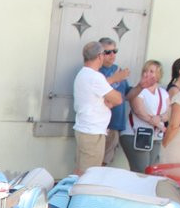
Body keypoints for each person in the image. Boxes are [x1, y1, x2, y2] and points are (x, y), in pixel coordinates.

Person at [73, 40, 123, 174]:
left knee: (80, 170)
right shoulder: (95, 77)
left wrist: (107, 100)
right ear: (100, 56)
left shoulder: (82, 74)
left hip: (84, 128)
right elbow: (117, 99)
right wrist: (115, 81)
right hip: (93, 132)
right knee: (89, 173)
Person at [121, 60, 170, 172]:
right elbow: (139, 111)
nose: (147, 74)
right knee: (141, 170)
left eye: (151, 71)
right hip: (137, 134)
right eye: (145, 71)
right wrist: (159, 124)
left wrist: (161, 118)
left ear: (159, 75)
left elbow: (168, 112)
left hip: (155, 135)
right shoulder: (138, 90)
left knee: (152, 170)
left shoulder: (163, 93)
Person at [97, 38, 137, 166]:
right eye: (108, 52)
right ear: (100, 54)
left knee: (105, 162)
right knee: (95, 163)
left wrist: (142, 86)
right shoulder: (96, 71)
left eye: (115, 51)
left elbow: (127, 95)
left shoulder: (117, 69)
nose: (112, 55)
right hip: (100, 125)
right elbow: (97, 91)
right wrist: (115, 79)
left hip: (115, 123)